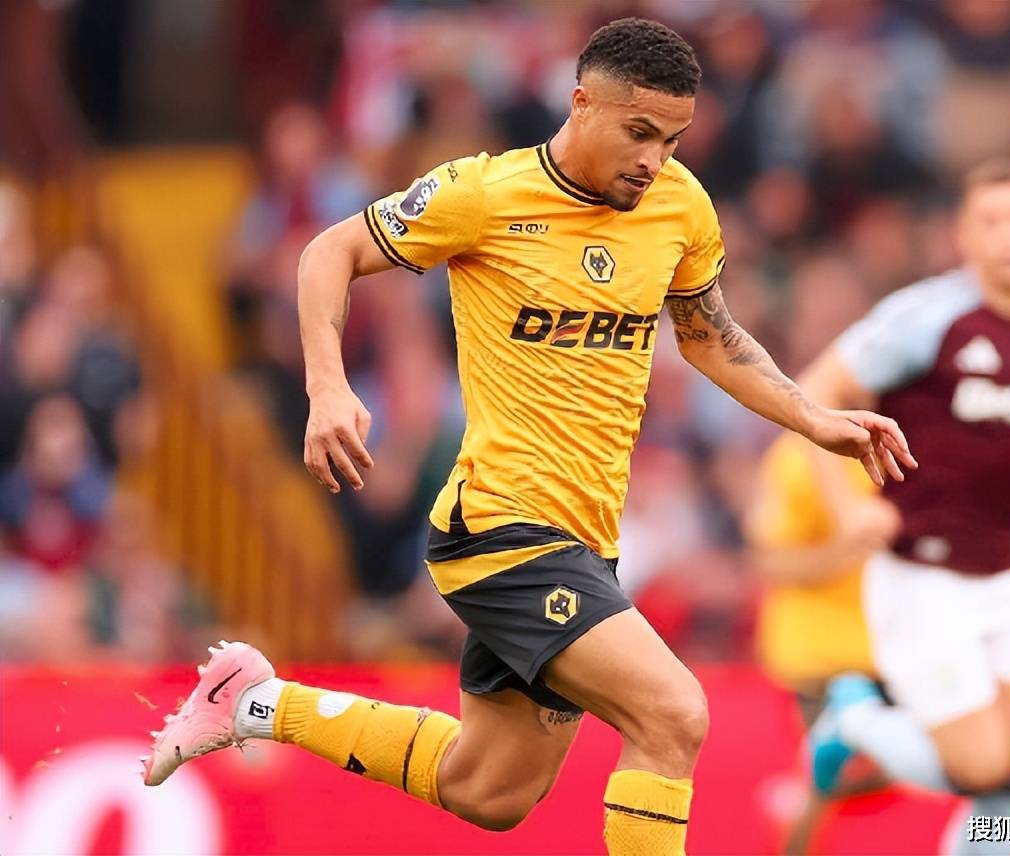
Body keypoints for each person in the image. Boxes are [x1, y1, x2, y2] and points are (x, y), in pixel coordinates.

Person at [140, 18, 915, 855]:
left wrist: (814, 418)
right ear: (581, 104)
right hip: (501, 529)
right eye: (639, 132)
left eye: (673, 139)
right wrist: (327, 386)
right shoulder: (484, 195)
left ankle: (254, 702)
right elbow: (328, 252)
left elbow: (710, 337)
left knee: (490, 789)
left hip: (587, 542)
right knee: (674, 714)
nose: (655, 159)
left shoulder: (679, 205)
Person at [804, 158, 1010, 854]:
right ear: (963, 235)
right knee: (981, 766)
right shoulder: (928, 317)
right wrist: (847, 507)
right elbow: (816, 390)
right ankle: (854, 717)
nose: (1006, 236)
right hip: (923, 574)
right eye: (989, 222)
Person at [743, 433, 898, 854]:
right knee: (826, 777)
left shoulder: (907, 444)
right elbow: (770, 560)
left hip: (887, 649)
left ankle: (796, 798)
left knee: (907, 768)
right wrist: (848, 550)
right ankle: (804, 801)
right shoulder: (797, 457)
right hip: (820, 653)